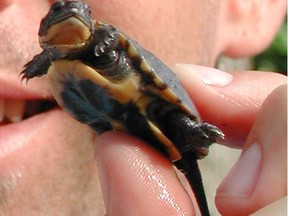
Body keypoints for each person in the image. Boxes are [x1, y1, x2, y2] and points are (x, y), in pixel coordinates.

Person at [0, 0, 286, 215]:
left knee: (173, 120)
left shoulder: (104, 40)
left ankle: (190, 133)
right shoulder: (53, 57)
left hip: (155, 107)